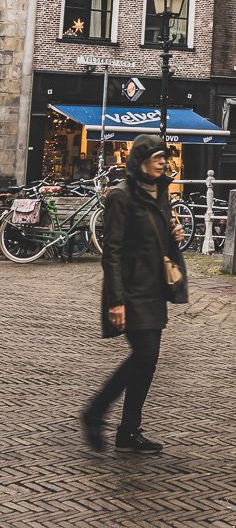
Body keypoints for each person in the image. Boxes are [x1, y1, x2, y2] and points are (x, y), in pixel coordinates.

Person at [80, 132, 187, 454]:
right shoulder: (121, 196)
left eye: (163, 158)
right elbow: (111, 252)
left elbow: (161, 238)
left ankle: (127, 432)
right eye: (156, 158)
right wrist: (116, 301)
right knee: (145, 355)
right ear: (140, 160)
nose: (162, 163)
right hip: (130, 289)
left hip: (154, 287)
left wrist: (174, 234)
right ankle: (95, 414)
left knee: (147, 361)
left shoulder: (161, 193)